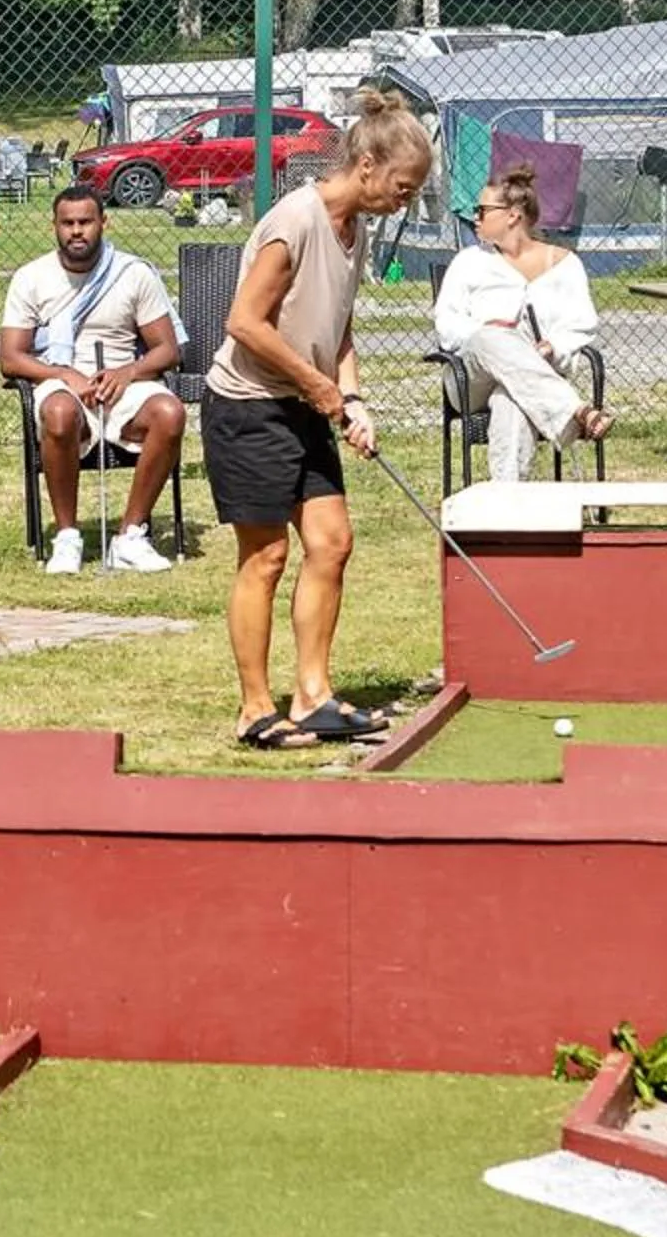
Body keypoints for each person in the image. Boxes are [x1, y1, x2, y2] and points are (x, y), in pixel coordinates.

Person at [202, 85, 433, 750]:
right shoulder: (294, 221)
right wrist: (317, 386)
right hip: (248, 407)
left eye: (412, 190)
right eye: (402, 185)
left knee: (332, 542)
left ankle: (312, 696)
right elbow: (243, 322)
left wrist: (351, 398)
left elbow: (338, 325)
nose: (405, 200)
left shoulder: (355, 229)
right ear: (366, 167)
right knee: (267, 555)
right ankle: (253, 710)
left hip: (304, 403)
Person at [0, 185, 185, 574]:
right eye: (68, 223)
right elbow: (11, 358)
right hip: (61, 380)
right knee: (61, 411)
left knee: (170, 411)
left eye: (85, 222)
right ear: (54, 226)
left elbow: (167, 349)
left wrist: (128, 372)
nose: (77, 231)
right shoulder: (31, 277)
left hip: (125, 384)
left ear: (104, 222)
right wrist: (66, 374)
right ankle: (67, 538)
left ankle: (131, 536)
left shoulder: (133, 273)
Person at [431, 165, 612, 481]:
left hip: (533, 378)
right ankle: (575, 411)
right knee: (492, 337)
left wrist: (552, 347)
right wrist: (493, 335)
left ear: (512, 215)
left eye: (482, 210)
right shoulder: (469, 262)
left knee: (510, 398)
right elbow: (446, 327)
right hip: (470, 379)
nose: (474, 216)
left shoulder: (566, 266)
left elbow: (580, 327)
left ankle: (508, 507)